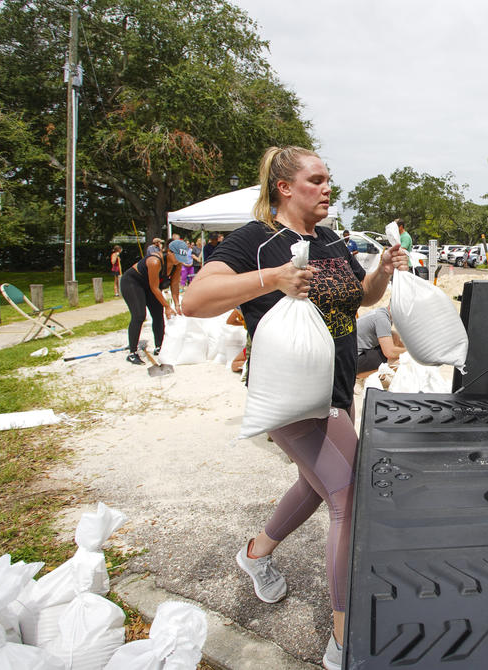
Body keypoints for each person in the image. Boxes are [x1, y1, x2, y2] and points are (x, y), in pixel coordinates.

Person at [182, 145, 407, 670]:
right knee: (350, 492)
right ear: (284, 187)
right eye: (317, 179)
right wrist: (274, 278)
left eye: (330, 179)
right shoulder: (256, 241)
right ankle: (343, 635)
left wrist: (381, 270)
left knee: (316, 480)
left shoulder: (329, 239)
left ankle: (255, 553)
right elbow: (195, 299)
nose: (328, 188)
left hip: (333, 389)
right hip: (288, 395)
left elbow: (363, 299)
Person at [120, 239, 190, 364]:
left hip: (150, 286)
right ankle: (132, 352)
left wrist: (177, 304)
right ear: (169, 252)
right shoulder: (154, 261)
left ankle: (159, 347)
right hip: (133, 283)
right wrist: (167, 306)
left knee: (158, 314)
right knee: (139, 315)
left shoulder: (177, 264)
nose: (179, 260)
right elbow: (154, 287)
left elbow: (174, 285)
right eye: (177, 257)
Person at [355, 306, 405, 373]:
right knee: (394, 363)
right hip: (354, 361)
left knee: (394, 336)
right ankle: (361, 374)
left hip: (351, 353)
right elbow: (389, 353)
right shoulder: (382, 319)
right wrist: (410, 352)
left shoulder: (382, 312)